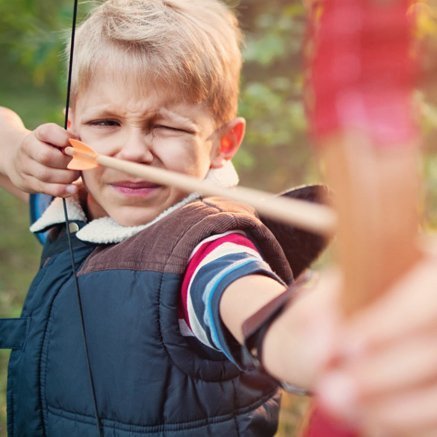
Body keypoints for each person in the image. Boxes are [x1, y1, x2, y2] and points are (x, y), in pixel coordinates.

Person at [2, 1, 437, 436]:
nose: (131, 151)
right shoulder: (77, 208)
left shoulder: (207, 252)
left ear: (223, 143)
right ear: (72, 130)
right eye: (106, 121)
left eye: (167, 127)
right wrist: (22, 151)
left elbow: (266, 317)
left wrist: (339, 344)